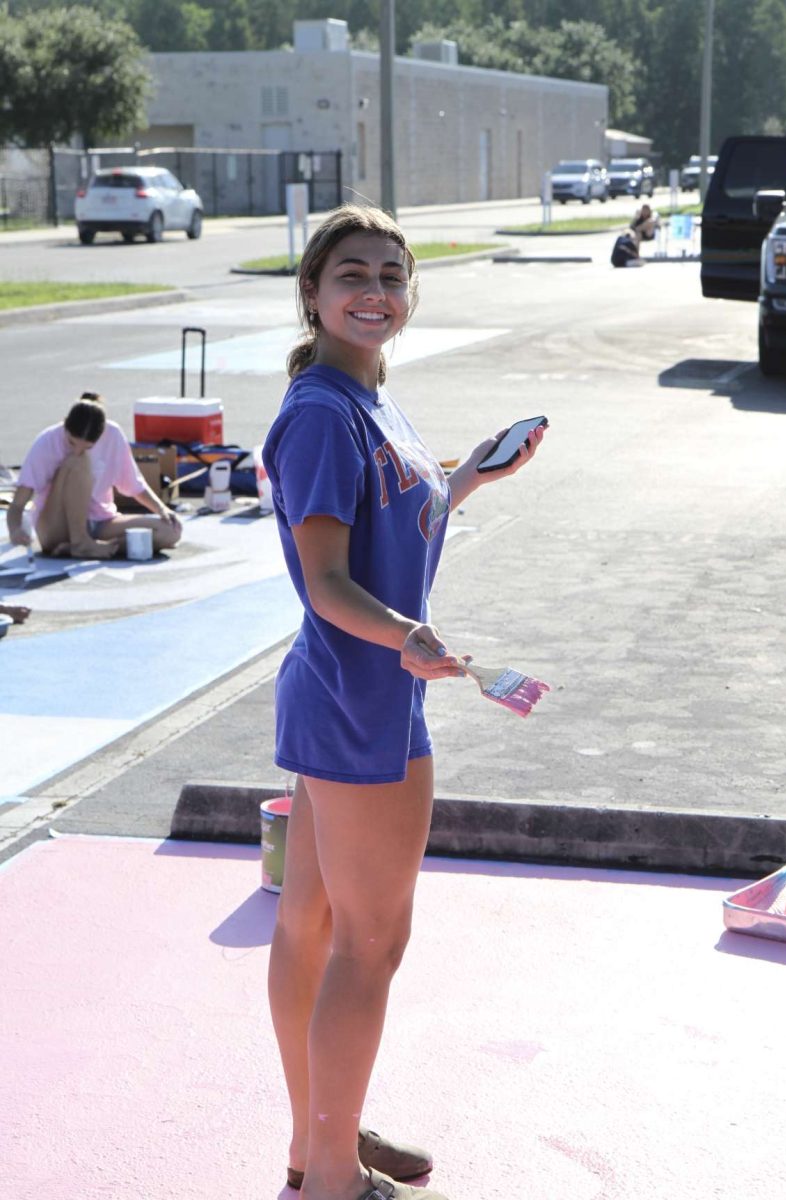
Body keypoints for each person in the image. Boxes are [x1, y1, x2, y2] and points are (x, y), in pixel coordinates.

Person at [262, 203, 547, 1200]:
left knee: (313, 925)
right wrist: (412, 640)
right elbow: (330, 581)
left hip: (345, 689)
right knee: (370, 943)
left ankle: (317, 1142)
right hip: (364, 702)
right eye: (351, 273)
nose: (373, 289)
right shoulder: (320, 414)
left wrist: (466, 476)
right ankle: (334, 1175)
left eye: (391, 273)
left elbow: (396, 527)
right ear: (313, 291)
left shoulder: (364, 398)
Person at [6, 393, 182, 559]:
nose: (76, 450)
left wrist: (162, 509)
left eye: (87, 447)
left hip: (100, 522)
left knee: (170, 532)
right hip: (57, 528)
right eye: (71, 442)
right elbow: (17, 505)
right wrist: (15, 529)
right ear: (65, 424)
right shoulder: (47, 441)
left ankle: (86, 548)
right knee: (78, 462)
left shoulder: (113, 435)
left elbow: (135, 486)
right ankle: (81, 543)